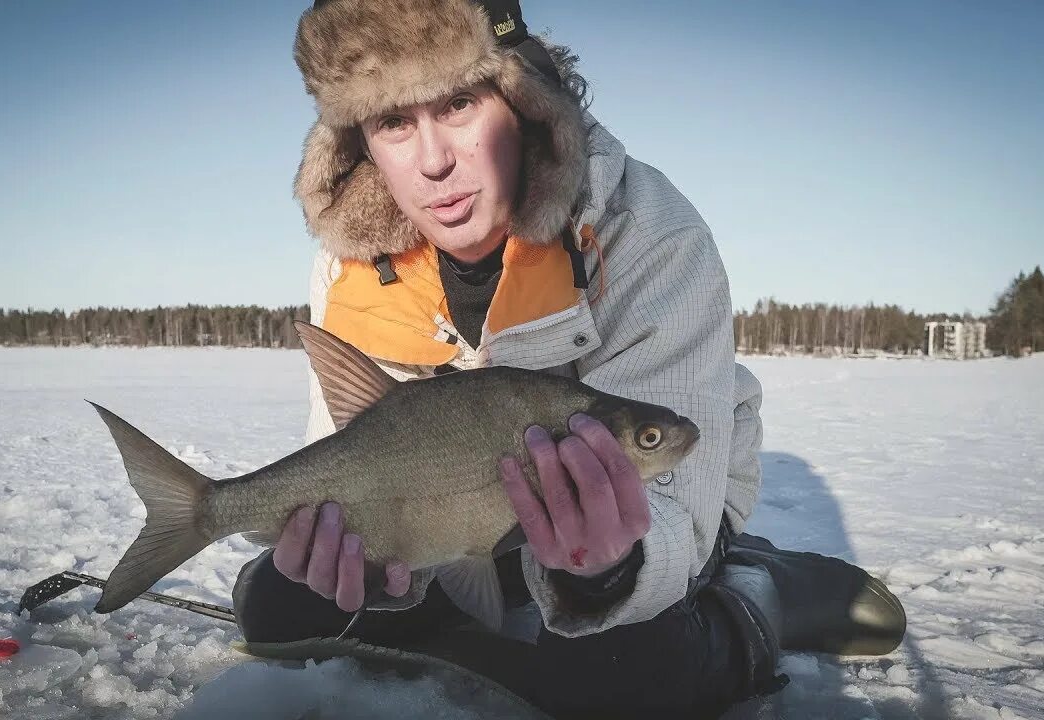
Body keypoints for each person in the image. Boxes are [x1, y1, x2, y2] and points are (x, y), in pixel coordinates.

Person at [232, 1, 906, 716]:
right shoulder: (353, 262)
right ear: (362, 140)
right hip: (459, 515)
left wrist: (608, 571)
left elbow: (672, 486)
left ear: (521, 98)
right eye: (394, 121)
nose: (432, 161)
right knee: (278, 609)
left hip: (665, 505)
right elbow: (358, 457)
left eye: (458, 103)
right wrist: (375, 567)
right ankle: (475, 611)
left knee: (615, 681)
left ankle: (754, 593)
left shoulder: (648, 232)